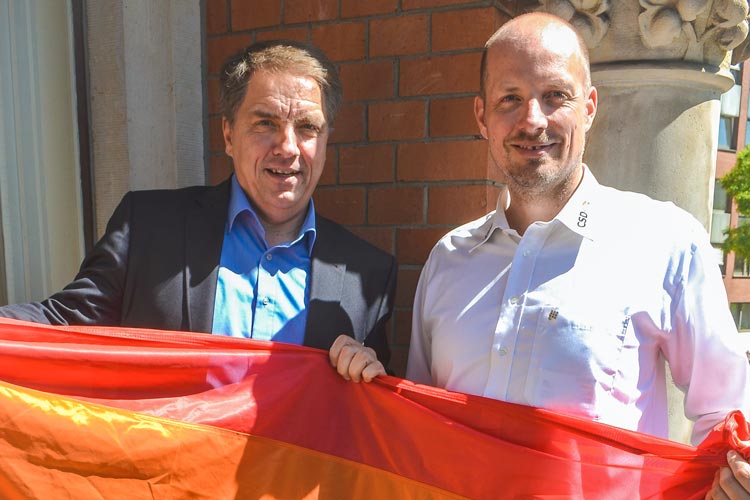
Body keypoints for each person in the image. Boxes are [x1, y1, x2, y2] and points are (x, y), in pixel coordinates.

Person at [405, 13, 750, 498]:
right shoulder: (448, 259)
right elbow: (419, 424)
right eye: (511, 99)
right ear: (482, 117)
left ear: (589, 107)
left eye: (555, 96)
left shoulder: (665, 241)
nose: (532, 120)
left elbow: (729, 414)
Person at [0, 40, 392, 383]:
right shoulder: (148, 226)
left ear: (324, 141)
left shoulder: (368, 277)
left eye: (307, 127)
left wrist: (370, 376)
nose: (288, 146)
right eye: (266, 123)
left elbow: (371, 420)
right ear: (228, 135)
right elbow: (62, 323)